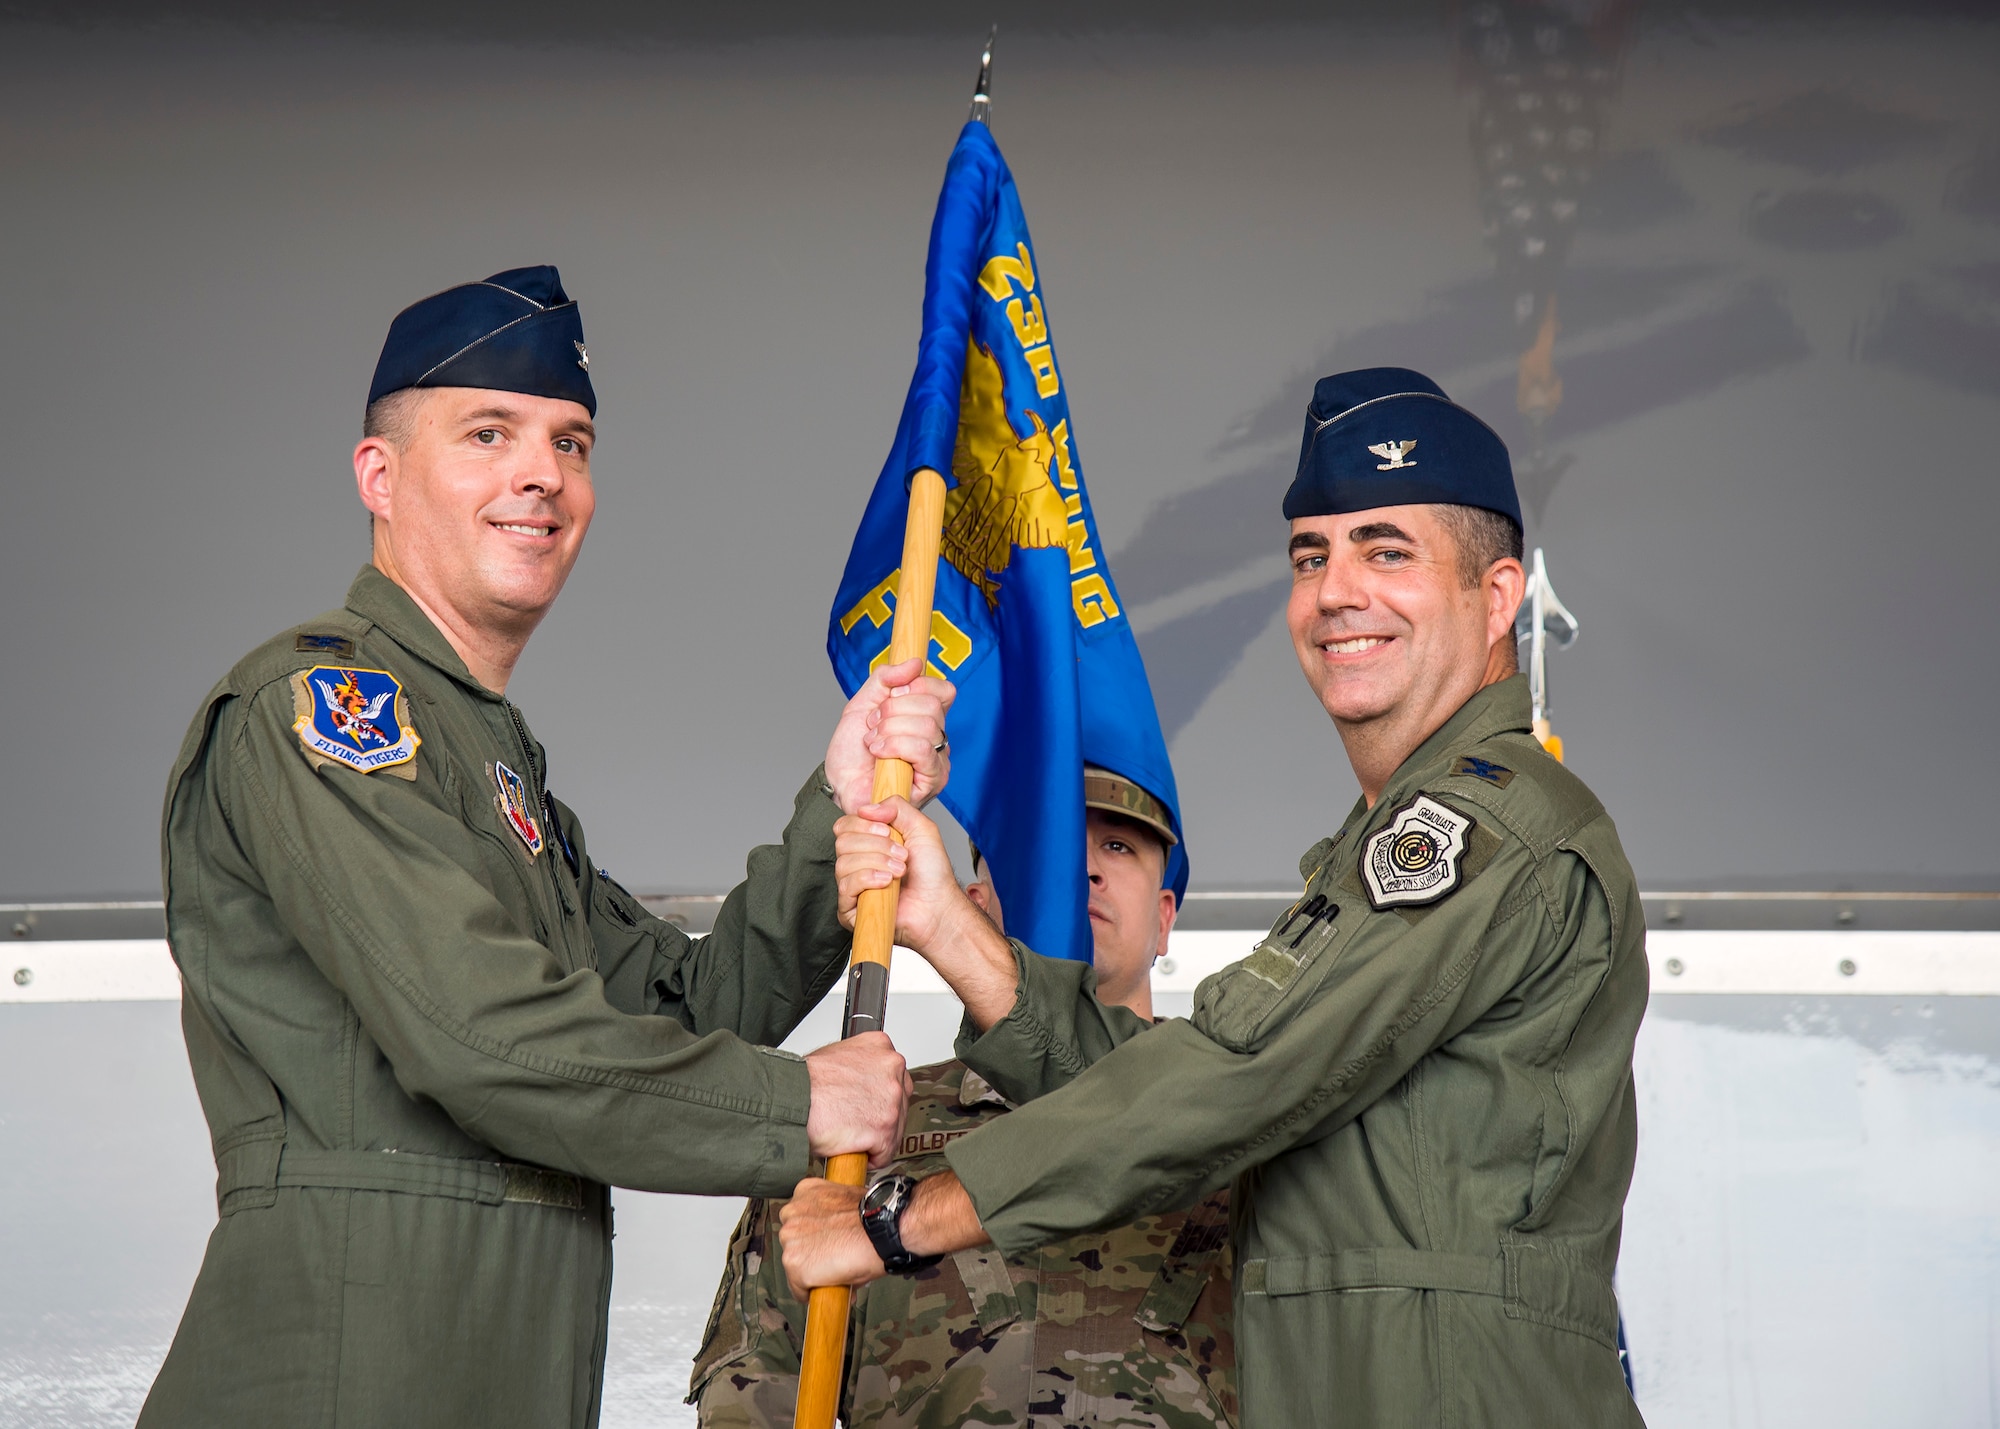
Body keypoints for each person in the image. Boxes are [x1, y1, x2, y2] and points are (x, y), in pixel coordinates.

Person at [140, 266, 950, 1429]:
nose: (542, 476)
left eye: (570, 444)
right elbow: (479, 1031)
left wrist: (836, 805)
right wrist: (795, 1105)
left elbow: (685, 1010)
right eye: (488, 433)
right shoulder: (322, 709)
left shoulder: (487, 758)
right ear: (379, 475)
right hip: (347, 1377)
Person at [781, 368, 1650, 1427]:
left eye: (1386, 550)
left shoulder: (1480, 827)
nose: (1337, 590)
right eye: (1310, 556)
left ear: (1496, 596)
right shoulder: (1388, 840)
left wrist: (894, 1219)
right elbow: (1190, 1100)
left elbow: (1232, 1077)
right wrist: (947, 927)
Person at [691, 767, 1235, 1429]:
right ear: (974, 900)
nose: (1085, 869)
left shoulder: (1253, 1131)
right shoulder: (858, 1130)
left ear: (1165, 918)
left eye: (1119, 847)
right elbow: (754, 1397)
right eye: (1046, 841)